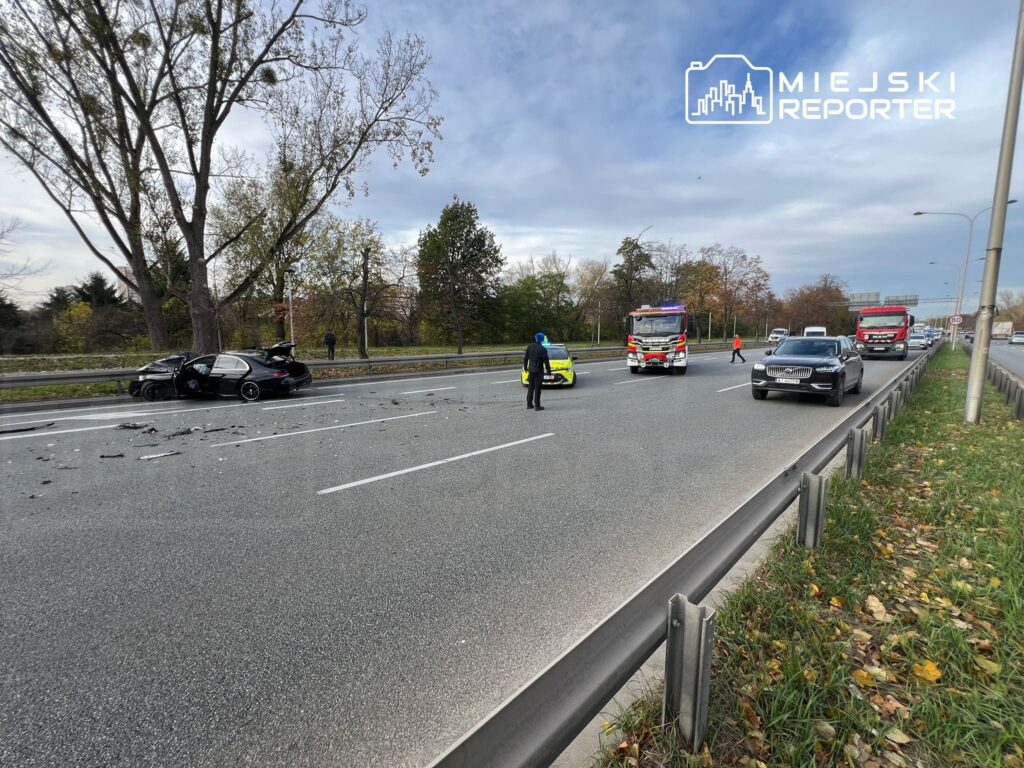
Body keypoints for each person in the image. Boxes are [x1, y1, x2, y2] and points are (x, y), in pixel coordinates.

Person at [523, 332, 552, 410]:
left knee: (530, 387)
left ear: (536, 339)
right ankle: (537, 405)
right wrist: (549, 371)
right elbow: (546, 361)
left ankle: (529, 404)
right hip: (539, 371)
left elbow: (526, 358)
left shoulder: (529, 347)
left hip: (531, 370)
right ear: (542, 340)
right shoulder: (543, 349)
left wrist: (525, 368)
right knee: (537, 388)